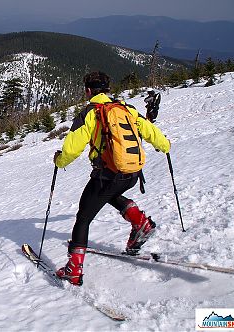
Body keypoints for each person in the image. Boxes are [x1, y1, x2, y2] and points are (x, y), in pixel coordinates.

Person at [53, 71, 171, 285]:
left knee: (84, 216)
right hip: (132, 173)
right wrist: (165, 146)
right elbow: (152, 132)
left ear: (88, 90)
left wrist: (59, 161)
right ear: (107, 89)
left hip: (108, 175)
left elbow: (72, 149)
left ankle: (74, 269)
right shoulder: (127, 109)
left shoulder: (91, 112)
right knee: (108, 195)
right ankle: (140, 222)